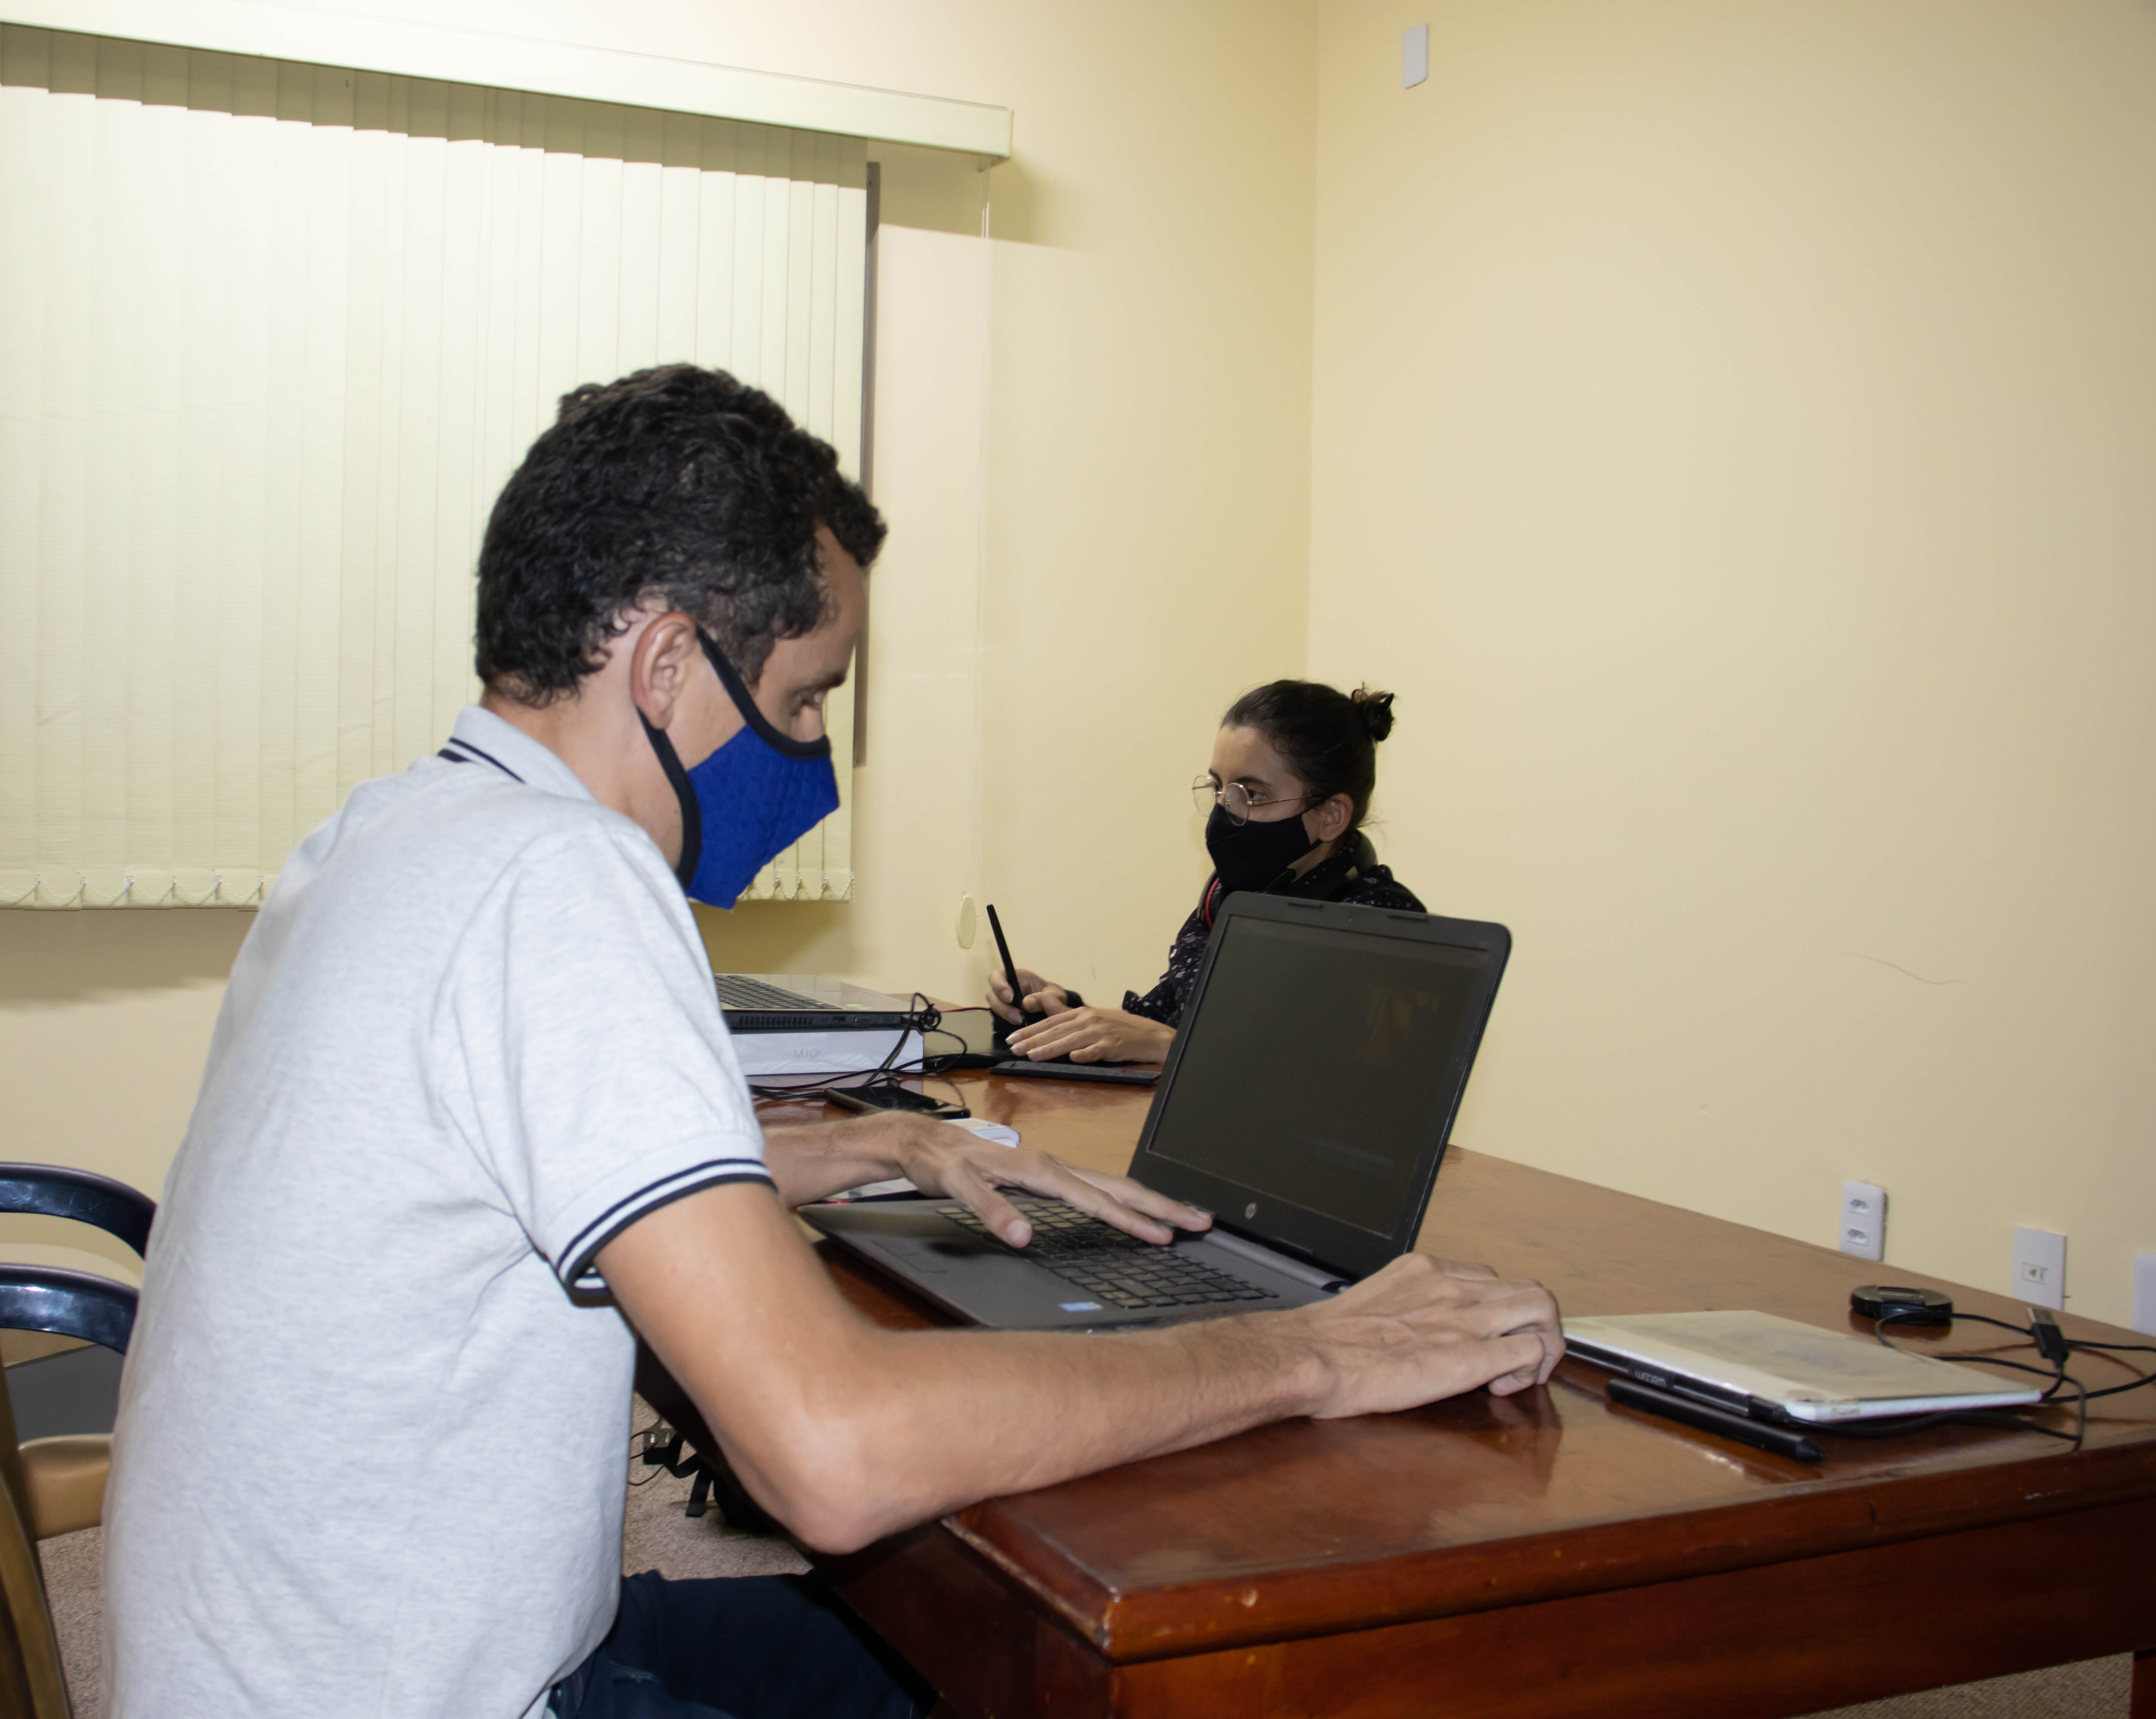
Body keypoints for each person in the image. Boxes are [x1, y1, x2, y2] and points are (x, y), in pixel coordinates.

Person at [102, 365, 1562, 1719]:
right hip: (428, 1689)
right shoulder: (562, 878)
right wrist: (1307, 1352)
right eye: (805, 700)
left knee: (926, 1655)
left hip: (324, 1653)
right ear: (667, 663)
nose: (810, 753)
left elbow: (483, 1165)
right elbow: (836, 1455)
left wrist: (862, 1149)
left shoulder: (395, 832)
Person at [989, 680, 1422, 1067]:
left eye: (1253, 795)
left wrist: (1175, 1046)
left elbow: (1341, 1078)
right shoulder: (1232, 900)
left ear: (1331, 816)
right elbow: (1158, 1024)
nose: (1224, 814)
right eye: (1219, 789)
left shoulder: (1384, 924)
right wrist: (1060, 1013)